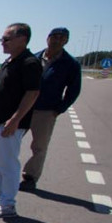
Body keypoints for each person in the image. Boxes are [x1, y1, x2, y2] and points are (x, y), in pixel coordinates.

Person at [0, 23, 41, 218]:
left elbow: (32, 92)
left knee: (7, 163)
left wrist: (15, 119)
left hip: (9, 124)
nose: (2, 43)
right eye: (2, 39)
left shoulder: (29, 62)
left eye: (6, 39)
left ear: (22, 39)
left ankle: (8, 203)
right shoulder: (10, 61)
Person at [21, 27, 82, 190]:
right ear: (47, 38)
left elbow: (74, 90)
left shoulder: (70, 64)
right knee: (8, 140)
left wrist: (59, 109)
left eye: (62, 38)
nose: (57, 40)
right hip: (23, 108)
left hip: (46, 111)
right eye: (54, 37)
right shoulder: (34, 57)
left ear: (66, 41)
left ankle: (30, 177)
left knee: (39, 146)